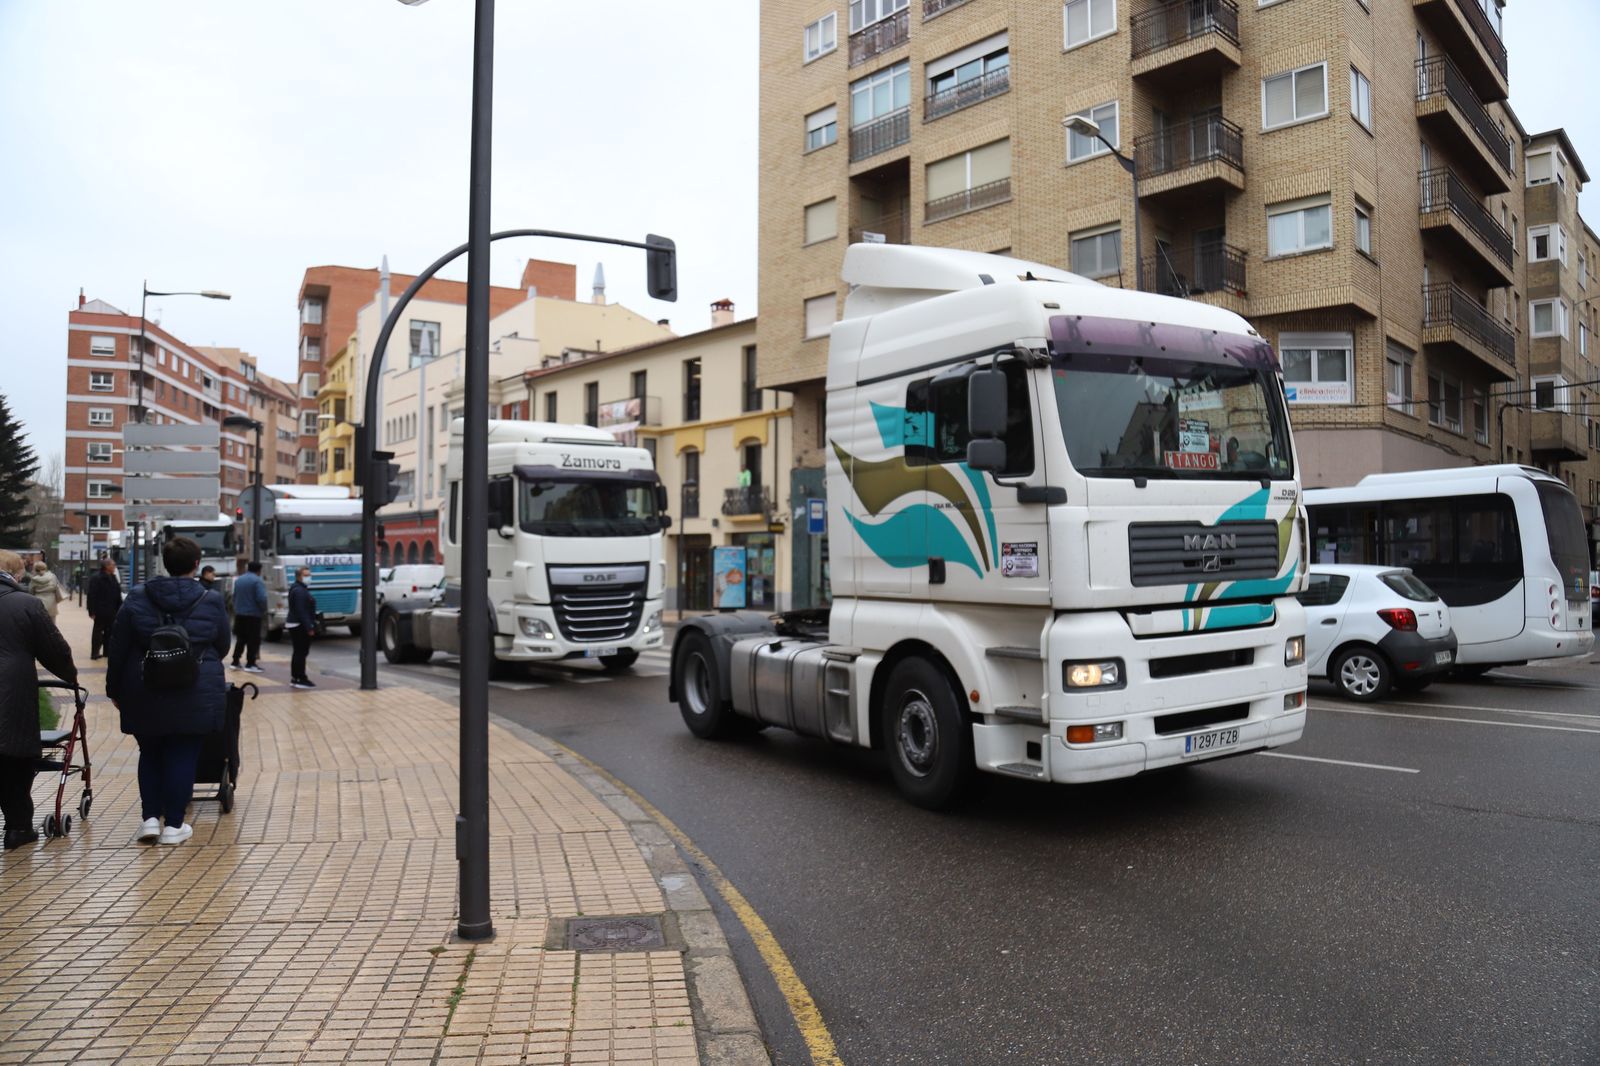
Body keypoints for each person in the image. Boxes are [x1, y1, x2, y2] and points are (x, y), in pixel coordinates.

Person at [106, 536, 229, 846]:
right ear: (197, 564)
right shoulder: (210, 599)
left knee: (150, 753)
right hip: (195, 689)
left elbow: (117, 647)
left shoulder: (136, 597)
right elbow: (223, 645)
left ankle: (150, 820)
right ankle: (174, 825)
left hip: (145, 688)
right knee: (183, 754)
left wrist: (114, 690)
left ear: (164, 562)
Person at [0, 550, 78, 850]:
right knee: (14, 759)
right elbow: (55, 651)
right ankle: (18, 828)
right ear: (16, 574)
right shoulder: (25, 604)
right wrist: (70, 676)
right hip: (12, 692)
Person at [230, 561, 267, 674]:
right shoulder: (257, 581)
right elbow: (261, 598)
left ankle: (235, 661)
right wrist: (263, 610)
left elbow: (234, 596)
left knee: (241, 639)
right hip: (253, 615)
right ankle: (250, 663)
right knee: (253, 640)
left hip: (240, 614)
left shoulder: (239, 580)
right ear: (259, 570)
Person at [286, 567, 317, 690]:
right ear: (299, 576)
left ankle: (297, 677)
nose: (309, 577)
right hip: (298, 625)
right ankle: (299, 678)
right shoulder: (299, 591)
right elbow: (301, 610)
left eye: (309, 575)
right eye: (306, 575)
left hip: (296, 624)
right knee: (300, 652)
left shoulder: (299, 589)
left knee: (299, 652)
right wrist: (309, 626)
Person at [87, 559, 122, 660]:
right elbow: (91, 595)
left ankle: (107, 651)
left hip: (112, 610)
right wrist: (92, 611)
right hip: (100, 610)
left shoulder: (113, 577)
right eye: (113, 565)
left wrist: (120, 608)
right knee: (98, 631)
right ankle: (95, 653)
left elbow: (117, 594)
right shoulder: (96, 578)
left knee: (110, 631)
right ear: (107, 566)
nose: (115, 566)